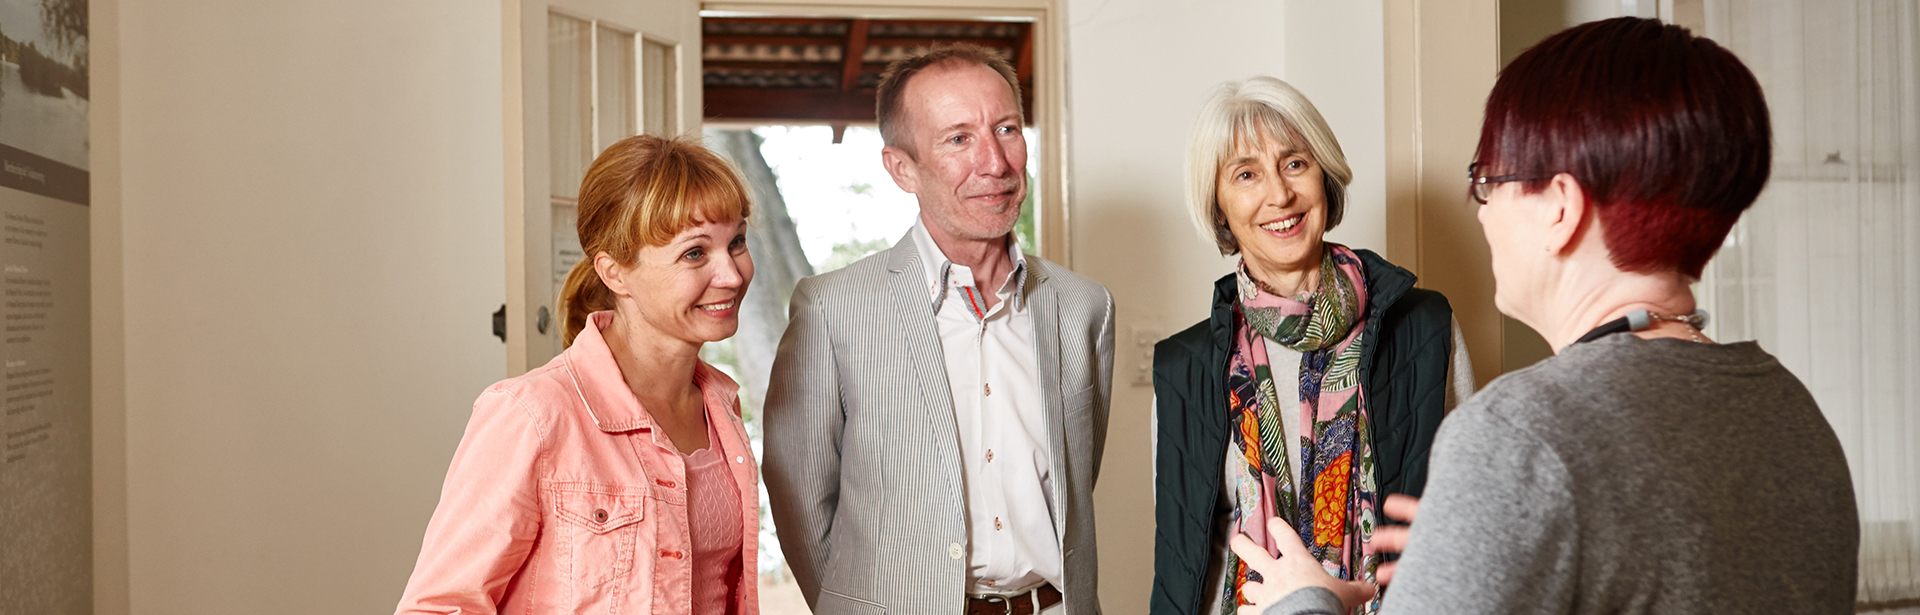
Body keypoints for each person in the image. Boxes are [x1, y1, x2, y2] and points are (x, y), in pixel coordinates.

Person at [1234, 17, 1860, 615]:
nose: (1481, 211)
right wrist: (1496, 536)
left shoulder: (1518, 436)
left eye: (1489, 179)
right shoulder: (1791, 411)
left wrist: (1304, 600)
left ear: (1560, 207)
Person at [763, 44, 1114, 615]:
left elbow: (1075, 482)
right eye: (958, 139)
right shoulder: (832, 310)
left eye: (1006, 129)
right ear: (902, 168)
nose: (995, 163)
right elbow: (800, 499)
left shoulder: (1084, 308)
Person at [394, 135, 762, 615]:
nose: (732, 275)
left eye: (736, 242)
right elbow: (439, 606)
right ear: (614, 273)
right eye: (694, 253)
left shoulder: (722, 408)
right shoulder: (532, 414)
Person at [1150, 76, 1474, 615]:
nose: (1280, 195)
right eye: (1246, 174)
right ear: (1219, 207)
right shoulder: (1184, 367)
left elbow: (1469, 521)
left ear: (1325, 177)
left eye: (1295, 163)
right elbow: (1181, 567)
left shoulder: (1424, 327)